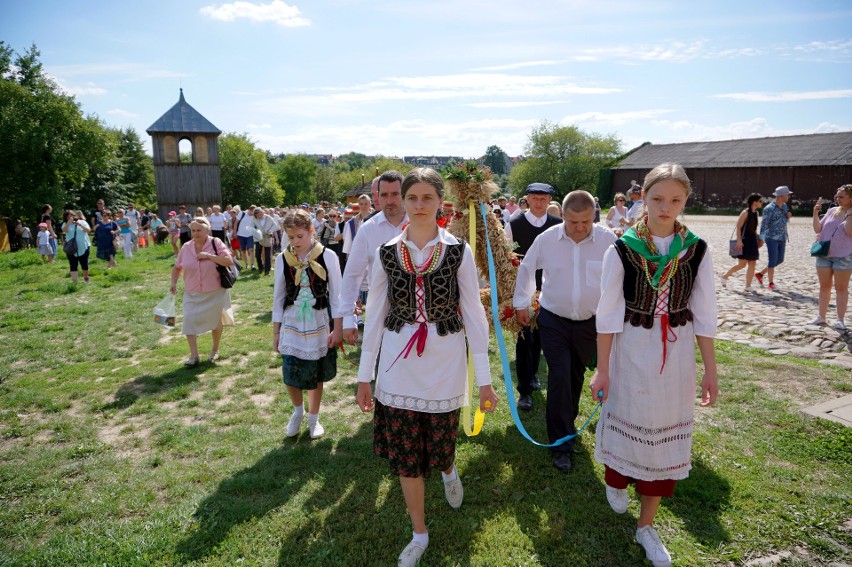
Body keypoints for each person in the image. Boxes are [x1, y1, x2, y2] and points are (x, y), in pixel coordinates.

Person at [355, 168, 499, 567]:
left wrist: (485, 382)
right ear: (402, 200)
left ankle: (448, 467)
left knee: (438, 444)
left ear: (440, 203)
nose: (418, 205)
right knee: (406, 453)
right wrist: (364, 375)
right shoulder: (387, 251)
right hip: (398, 362)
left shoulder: (458, 250)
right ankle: (419, 531)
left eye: (426, 198)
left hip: (445, 360)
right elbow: (377, 313)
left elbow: (473, 314)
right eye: (412, 198)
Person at [590, 163, 718, 567]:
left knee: (664, 436)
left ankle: (646, 525)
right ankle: (617, 479)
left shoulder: (696, 248)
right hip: (632, 349)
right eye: (658, 198)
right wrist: (603, 368)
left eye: (676, 200)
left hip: (676, 354)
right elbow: (607, 314)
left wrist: (709, 369)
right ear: (642, 198)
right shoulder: (622, 248)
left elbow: (705, 311)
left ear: (685, 201)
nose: (666, 207)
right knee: (628, 417)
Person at [513, 190, 616, 472]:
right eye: (573, 222)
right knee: (558, 376)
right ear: (564, 216)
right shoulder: (547, 239)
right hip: (553, 319)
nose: (580, 228)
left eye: (586, 222)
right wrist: (522, 303)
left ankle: (567, 422)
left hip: (590, 324)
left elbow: (620, 280)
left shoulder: (609, 241)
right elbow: (526, 268)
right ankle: (561, 444)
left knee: (574, 375)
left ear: (594, 215)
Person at [272, 210, 343, 440]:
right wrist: (276, 332)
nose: (295, 242)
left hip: (318, 320)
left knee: (314, 372)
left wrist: (337, 328)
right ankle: (297, 411)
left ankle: (314, 418)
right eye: (291, 238)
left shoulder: (328, 256)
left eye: (300, 237)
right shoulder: (283, 258)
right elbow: (278, 297)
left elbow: (337, 297)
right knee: (290, 369)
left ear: (311, 232)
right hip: (292, 321)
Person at [504, 183, 563, 411]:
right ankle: (525, 390)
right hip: (524, 290)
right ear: (527, 198)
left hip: (550, 289)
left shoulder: (558, 224)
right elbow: (508, 257)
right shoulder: (514, 224)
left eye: (543, 198)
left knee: (540, 338)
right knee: (524, 339)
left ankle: (535, 375)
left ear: (550, 201)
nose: (539, 202)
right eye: (535, 198)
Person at [342, 171, 407, 343]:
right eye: (384, 195)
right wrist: (348, 318)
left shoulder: (419, 224)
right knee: (380, 367)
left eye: (395, 194)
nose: (390, 200)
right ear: (378, 196)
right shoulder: (368, 229)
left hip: (417, 318)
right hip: (380, 315)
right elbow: (352, 274)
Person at [170, 217, 235, 366]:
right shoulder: (186, 247)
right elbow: (177, 267)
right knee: (188, 319)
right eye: (193, 230)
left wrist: (209, 256)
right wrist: (173, 283)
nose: (196, 233)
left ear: (207, 230)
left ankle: (215, 350)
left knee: (215, 321)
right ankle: (194, 356)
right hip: (192, 291)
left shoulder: (215, 243)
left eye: (199, 230)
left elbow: (228, 261)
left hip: (215, 291)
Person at [809, 184, 852, 329]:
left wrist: (850, 213)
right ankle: (821, 317)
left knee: (841, 288)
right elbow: (818, 229)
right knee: (824, 286)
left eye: (841, 196)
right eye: (836, 196)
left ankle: (840, 320)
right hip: (824, 253)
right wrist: (815, 214)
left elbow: (849, 231)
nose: (837, 199)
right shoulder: (832, 211)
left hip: (844, 255)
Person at [721, 193, 763, 291]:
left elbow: (754, 228)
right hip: (744, 240)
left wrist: (759, 239)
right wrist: (739, 241)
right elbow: (739, 228)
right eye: (760, 201)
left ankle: (748, 286)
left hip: (753, 240)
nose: (762, 203)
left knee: (752, 263)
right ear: (754, 202)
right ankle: (725, 276)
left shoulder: (756, 213)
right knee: (742, 264)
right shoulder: (745, 213)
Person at [755, 186, 793, 290]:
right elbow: (764, 224)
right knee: (772, 260)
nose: (789, 196)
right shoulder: (769, 208)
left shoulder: (784, 206)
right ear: (781, 196)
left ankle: (760, 274)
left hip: (782, 236)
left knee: (779, 260)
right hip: (771, 238)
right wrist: (761, 239)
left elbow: (784, 220)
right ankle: (771, 283)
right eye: (787, 194)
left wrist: (788, 216)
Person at [61, 210, 92, 283]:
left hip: (84, 247)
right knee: (73, 264)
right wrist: (68, 223)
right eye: (68, 215)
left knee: (84, 263)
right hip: (71, 248)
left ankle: (86, 278)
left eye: (72, 214)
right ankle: (75, 281)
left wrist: (80, 225)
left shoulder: (82, 222)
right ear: (66, 217)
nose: (71, 216)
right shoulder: (65, 224)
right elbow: (64, 230)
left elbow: (88, 230)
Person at [250, 207, 279, 276]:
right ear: (255, 215)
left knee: (268, 255)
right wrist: (256, 232)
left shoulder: (268, 217)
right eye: (258, 215)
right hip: (258, 238)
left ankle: (267, 271)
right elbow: (251, 228)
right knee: (257, 254)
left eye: (261, 214)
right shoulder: (254, 219)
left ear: (263, 213)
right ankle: (260, 268)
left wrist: (270, 232)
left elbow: (274, 225)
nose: (260, 216)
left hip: (267, 237)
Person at [234, 205, 257, 271]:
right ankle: (247, 264)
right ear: (250, 210)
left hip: (250, 235)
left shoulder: (254, 216)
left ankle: (252, 264)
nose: (254, 213)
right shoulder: (242, 213)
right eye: (253, 211)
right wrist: (235, 233)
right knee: (243, 251)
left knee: (251, 249)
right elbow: (236, 223)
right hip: (241, 235)